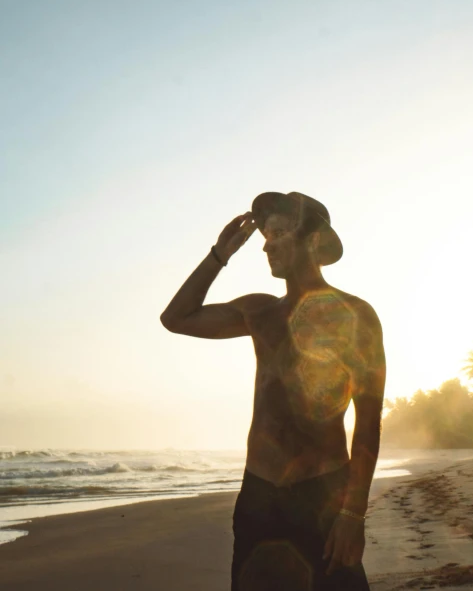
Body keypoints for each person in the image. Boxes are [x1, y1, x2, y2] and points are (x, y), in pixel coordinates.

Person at [161, 192, 386, 590]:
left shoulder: (355, 315)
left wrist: (353, 515)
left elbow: (367, 421)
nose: (266, 244)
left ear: (313, 241)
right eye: (265, 235)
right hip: (259, 498)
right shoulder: (260, 311)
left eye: (279, 232)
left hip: (324, 495)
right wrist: (220, 254)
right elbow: (176, 319)